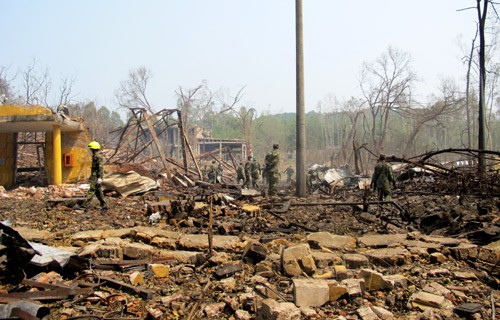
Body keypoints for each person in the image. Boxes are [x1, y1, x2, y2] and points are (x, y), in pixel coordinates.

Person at [82, 141, 108, 210]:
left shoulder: (98, 157)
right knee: (98, 192)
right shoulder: (95, 156)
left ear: (93, 149)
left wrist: (100, 178)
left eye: (91, 149)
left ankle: (84, 205)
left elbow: (100, 168)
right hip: (94, 177)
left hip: (96, 177)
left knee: (92, 190)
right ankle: (104, 205)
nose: (90, 150)